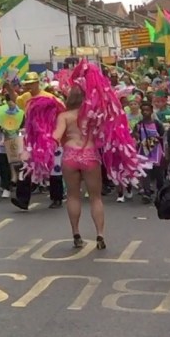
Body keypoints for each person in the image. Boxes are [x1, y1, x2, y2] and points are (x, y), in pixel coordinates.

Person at [52, 87, 107, 250]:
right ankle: (100, 235)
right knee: (95, 198)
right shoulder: (93, 115)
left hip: (70, 156)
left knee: (73, 196)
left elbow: (56, 136)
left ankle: (76, 234)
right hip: (90, 155)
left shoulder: (64, 116)